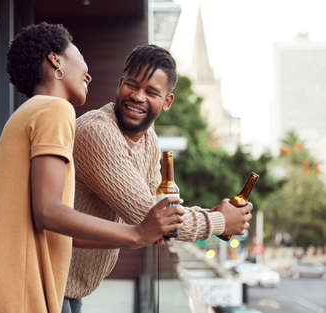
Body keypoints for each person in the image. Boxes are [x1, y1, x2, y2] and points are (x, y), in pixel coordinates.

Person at [0, 23, 184, 313]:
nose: (89, 74)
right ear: (56, 60)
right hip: (3, 288)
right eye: (77, 52)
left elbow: (55, 226)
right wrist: (137, 234)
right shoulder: (55, 110)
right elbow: (49, 212)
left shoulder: (34, 111)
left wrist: (134, 235)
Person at [62, 44, 253, 313]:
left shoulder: (149, 139)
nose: (138, 97)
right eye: (132, 85)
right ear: (119, 85)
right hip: (48, 279)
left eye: (151, 92)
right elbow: (148, 217)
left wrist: (214, 213)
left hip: (71, 287)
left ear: (166, 102)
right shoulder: (97, 133)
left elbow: (161, 207)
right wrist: (220, 221)